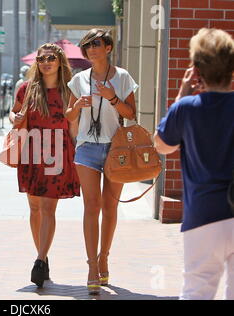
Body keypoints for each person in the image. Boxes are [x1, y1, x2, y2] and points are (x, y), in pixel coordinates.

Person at [154, 28, 234, 300]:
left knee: (196, 291)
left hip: (203, 214)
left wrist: (181, 95)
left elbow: (162, 145)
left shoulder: (186, 108)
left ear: (196, 69)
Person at [65, 29, 138, 295]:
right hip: (87, 148)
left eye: (96, 44)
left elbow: (131, 113)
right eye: (87, 46)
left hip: (115, 147)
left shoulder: (123, 77)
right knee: (91, 206)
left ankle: (104, 255)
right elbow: (69, 115)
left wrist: (112, 97)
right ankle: (92, 266)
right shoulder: (79, 79)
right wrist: (78, 107)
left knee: (109, 207)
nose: (91, 49)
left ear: (108, 47)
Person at [9, 43, 80, 288]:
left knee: (49, 207)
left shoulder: (69, 91)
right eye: (41, 59)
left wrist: (75, 155)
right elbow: (14, 113)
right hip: (31, 148)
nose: (46, 62)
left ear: (60, 61)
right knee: (35, 208)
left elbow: (73, 128)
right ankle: (43, 252)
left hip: (58, 151)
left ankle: (39, 261)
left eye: (51, 58)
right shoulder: (26, 89)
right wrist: (14, 117)